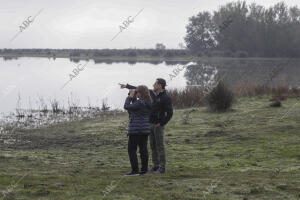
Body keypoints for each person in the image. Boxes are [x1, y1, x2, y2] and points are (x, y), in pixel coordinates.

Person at [120, 78, 173, 174]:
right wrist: (127, 86)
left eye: (155, 83)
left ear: (160, 85)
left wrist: (161, 123)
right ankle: (155, 165)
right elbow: (140, 89)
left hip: (158, 125)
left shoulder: (166, 98)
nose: (153, 85)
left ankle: (162, 168)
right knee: (152, 146)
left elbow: (170, 113)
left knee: (160, 146)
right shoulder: (152, 93)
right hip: (149, 124)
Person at [123, 85, 152, 176]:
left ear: (141, 93)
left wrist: (130, 96)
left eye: (137, 92)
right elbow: (134, 109)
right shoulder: (148, 102)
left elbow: (127, 106)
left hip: (136, 129)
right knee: (143, 150)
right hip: (145, 129)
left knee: (131, 149)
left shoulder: (140, 103)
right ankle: (144, 170)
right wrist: (134, 97)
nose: (137, 93)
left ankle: (135, 171)